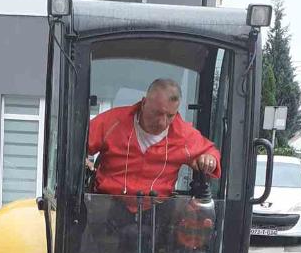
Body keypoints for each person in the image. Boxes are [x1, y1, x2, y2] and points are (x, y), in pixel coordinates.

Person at [87, 78, 221, 198]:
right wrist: (84, 162)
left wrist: (209, 160)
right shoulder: (112, 122)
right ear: (144, 102)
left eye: (170, 116)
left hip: (157, 214)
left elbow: (210, 152)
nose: (162, 122)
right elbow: (75, 144)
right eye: (157, 113)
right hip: (106, 208)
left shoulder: (184, 135)